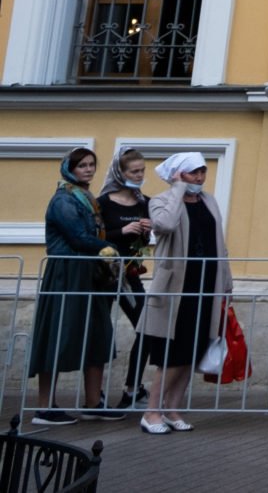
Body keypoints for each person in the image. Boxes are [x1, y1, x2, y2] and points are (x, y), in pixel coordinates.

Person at [140, 152, 233, 435]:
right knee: (171, 354)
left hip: (205, 285)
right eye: (193, 173)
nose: (200, 178)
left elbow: (219, 241)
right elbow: (165, 225)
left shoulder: (209, 201)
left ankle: (172, 408)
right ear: (178, 174)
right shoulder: (161, 201)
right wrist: (178, 189)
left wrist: (226, 280)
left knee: (193, 351)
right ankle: (151, 412)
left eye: (202, 172)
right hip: (175, 289)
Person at [28, 148, 119, 425]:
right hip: (66, 273)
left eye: (92, 164)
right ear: (70, 168)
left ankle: (93, 403)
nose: (88, 169)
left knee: (97, 336)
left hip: (88, 273)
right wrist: (109, 247)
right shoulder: (63, 200)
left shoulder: (87, 198)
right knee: (58, 336)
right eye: (82, 165)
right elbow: (78, 238)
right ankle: (45, 407)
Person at [97, 148, 156, 411]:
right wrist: (122, 230)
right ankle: (93, 394)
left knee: (146, 327)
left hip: (131, 276)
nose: (140, 175)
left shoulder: (145, 202)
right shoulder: (103, 202)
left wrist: (146, 230)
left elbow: (144, 244)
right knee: (98, 331)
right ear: (120, 173)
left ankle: (133, 389)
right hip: (103, 275)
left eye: (142, 170)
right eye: (134, 171)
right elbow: (95, 237)